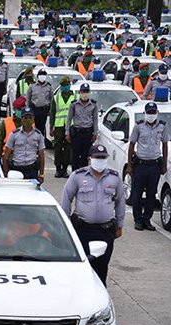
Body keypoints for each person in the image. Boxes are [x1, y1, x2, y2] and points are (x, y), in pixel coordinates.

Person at [61, 145, 125, 286]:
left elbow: (120, 201)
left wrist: (120, 224)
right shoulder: (77, 176)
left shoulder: (114, 178)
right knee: (83, 266)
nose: (100, 160)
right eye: (97, 157)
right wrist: (65, 225)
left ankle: (100, 294)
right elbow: (66, 198)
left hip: (105, 230)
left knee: (102, 266)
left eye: (103, 157)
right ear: (90, 158)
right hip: (83, 230)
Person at [128, 102, 169, 230]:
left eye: (153, 112)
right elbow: (131, 145)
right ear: (145, 113)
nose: (151, 115)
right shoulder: (139, 126)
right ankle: (138, 220)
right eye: (149, 112)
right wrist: (129, 165)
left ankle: (147, 219)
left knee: (152, 194)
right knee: (137, 193)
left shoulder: (162, 127)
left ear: (156, 113)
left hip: (154, 166)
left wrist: (163, 165)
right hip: (140, 165)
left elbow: (165, 145)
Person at [3, 107, 46, 181]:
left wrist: (41, 174)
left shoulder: (38, 135)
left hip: (32, 170)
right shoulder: (14, 134)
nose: (28, 120)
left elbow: (41, 156)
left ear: (33, 119)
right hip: (17, 169)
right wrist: (6, 174)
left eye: (30, 118)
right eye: (25, 118)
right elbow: (6, 156)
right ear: (21, 119)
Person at [66, 83, 99, 171]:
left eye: (87, 91)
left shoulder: (93, 105)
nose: (85, 94)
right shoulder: (74, 104)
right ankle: (74, 175)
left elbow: (95, 120)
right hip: (77, 133)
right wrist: (67, 133)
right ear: (80, 92)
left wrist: (95, 133)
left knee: (85, 156)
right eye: (83, 91)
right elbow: (69, 119)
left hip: (88, 133)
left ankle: (84, 175)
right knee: (75, 156)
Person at [49, 77, 75, 178]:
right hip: (59, 125)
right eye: (64, 85)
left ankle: (64, 169)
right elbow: (52, 113)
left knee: (68, 148)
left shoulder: (74, 97)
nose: (66, 87)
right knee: (58, 148)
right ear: (61, 86)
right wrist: (51, 127)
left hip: (70, 126)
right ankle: (58, 169)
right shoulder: (56, 97)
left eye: (67, 85)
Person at [26, 68, 52, 138]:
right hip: (35, 109)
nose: (42, 77)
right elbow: (28, 98)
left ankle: (41, 141)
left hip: (44, 110)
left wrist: (50, 110)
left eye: (44, 75)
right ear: (38, 76)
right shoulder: (32, 86)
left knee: (42, 127)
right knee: (34, 127)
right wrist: (28, 109)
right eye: (41, 75)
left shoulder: (49, 86)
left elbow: (51, 99)